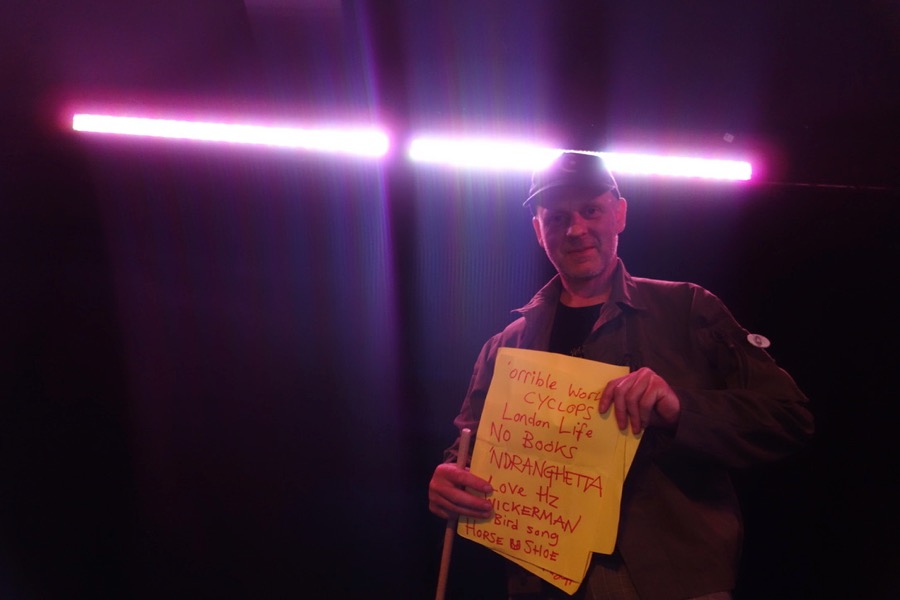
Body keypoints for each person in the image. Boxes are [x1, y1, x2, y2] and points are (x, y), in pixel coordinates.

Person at [428, 151, 814, 600]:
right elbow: (469, 447)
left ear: (620, 214)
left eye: (590, 210)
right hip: (542, 579)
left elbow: (788, 417)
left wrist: (680, 407)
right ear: (538, 230)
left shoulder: (688, 308)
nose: (575, 229)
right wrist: (449, 478)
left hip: (670, 581)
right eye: (556, 218)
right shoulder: (507, 345)